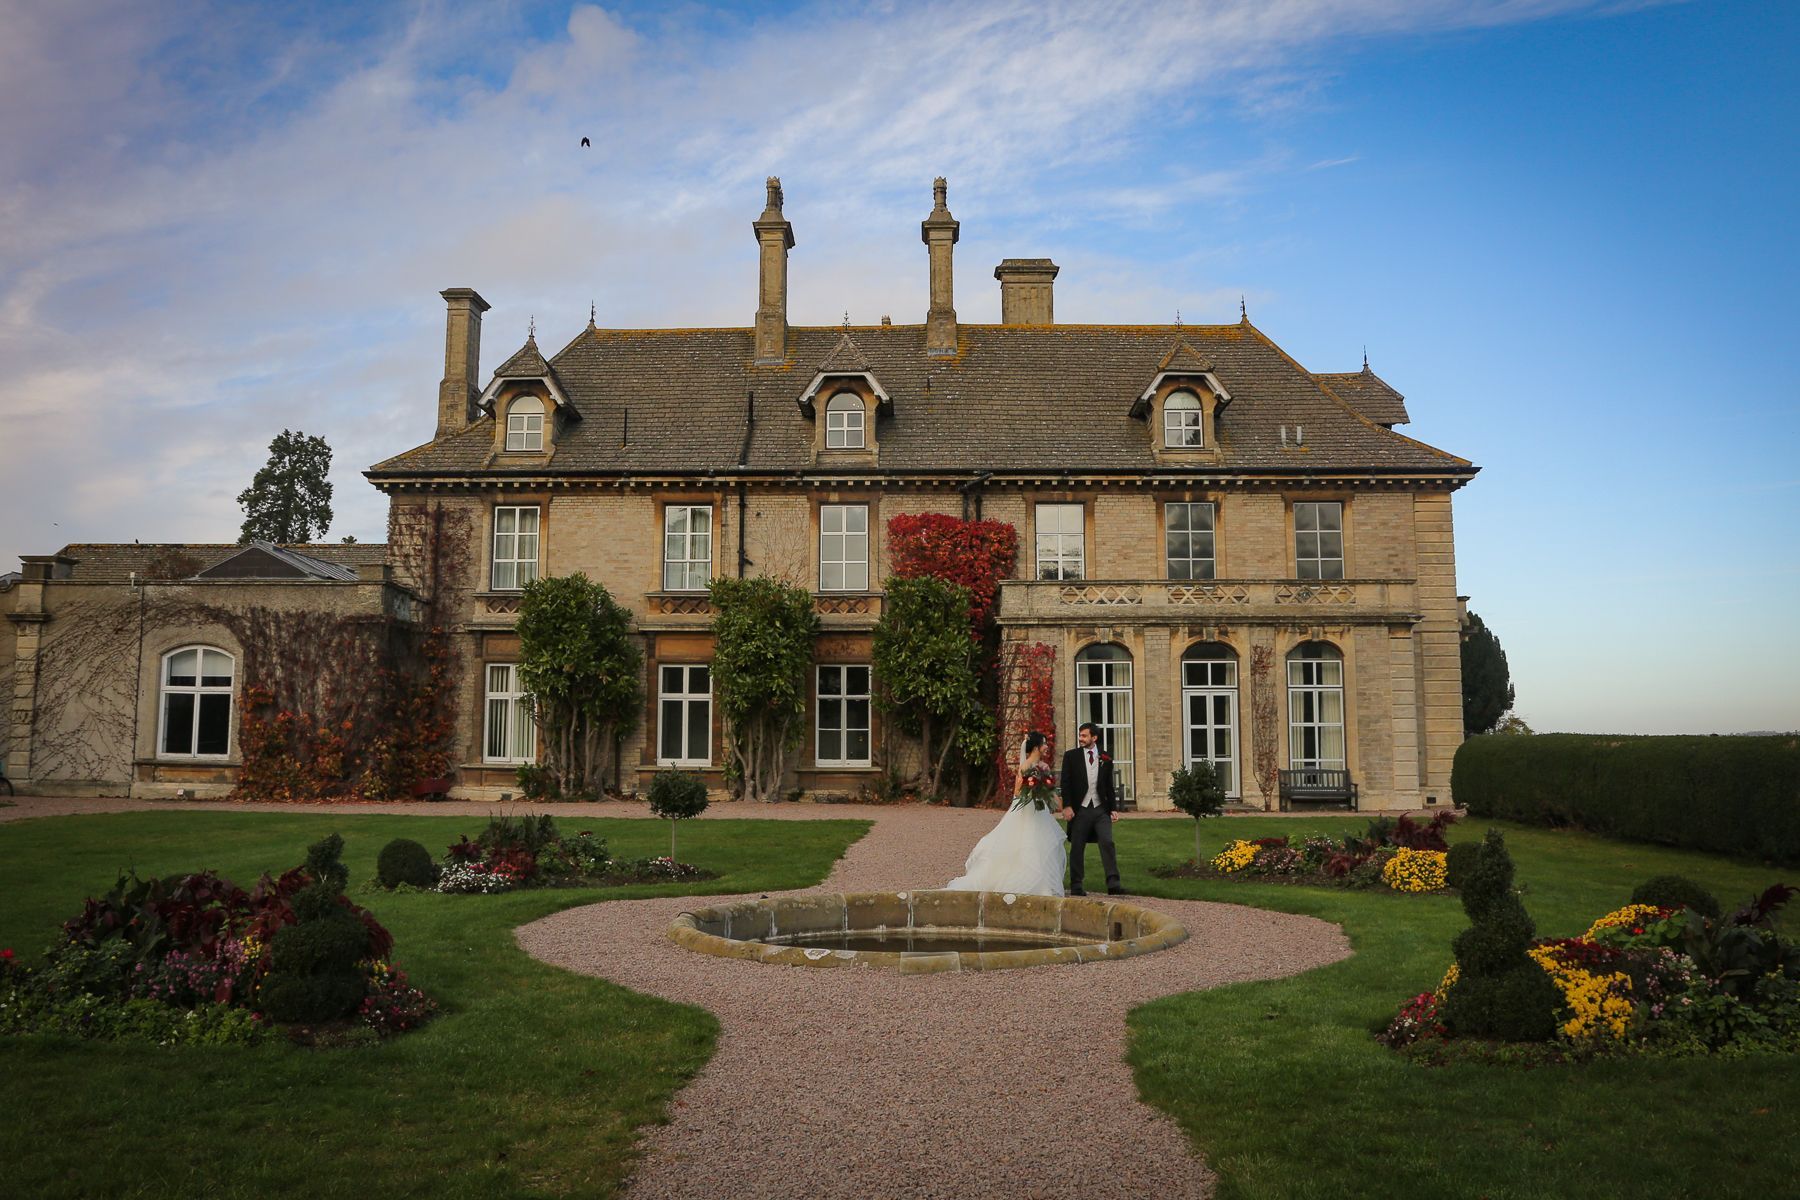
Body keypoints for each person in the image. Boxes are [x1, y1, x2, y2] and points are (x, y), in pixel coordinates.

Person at [944, 731, 1067, 896]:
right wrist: (1034, 789)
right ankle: (1024, 884)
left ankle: (1043, 885)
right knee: (1027, 843)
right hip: (1027, 810)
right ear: (1036, 747)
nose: (1046, 746)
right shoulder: (1026, 767)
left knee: (1042, 844)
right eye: (1044, 743)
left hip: (1039, 810)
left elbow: (1050, 790)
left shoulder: (1043, 767)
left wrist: (1060, 804)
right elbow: (1017, 792)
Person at [1060, 721, 1123, 895]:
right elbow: (1065, 783)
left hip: (1100, 809)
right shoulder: (1071, 756)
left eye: (1084, 735)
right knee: (1077, 846)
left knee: (1107, 842)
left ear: (1094, 738)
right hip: (1080, 809)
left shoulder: (1105, 757)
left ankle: (1113, 884)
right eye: (1080, 735)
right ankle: (1076, 885)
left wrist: (1113, 808)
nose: (1080, 738)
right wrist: (1067, 806)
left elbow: (1109, 785)